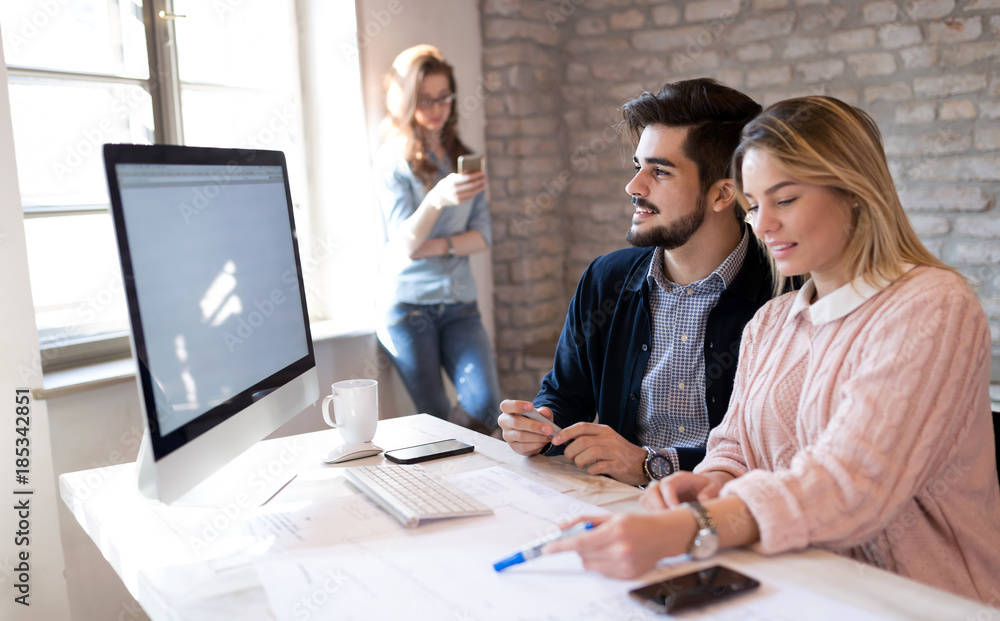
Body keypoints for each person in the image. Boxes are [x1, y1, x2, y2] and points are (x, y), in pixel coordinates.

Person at [546, 96, 1000, 603]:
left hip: (921, 600)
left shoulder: (931, 306)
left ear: (855, 191)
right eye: (754, 205)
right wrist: (708, 482)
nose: (761, 226)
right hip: (798, 586)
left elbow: (850, 485)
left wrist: (688, 527)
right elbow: (736, 449)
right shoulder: (772, 322)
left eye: (783, 200)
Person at [498, 78, 781, 486]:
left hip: (732, 517)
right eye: (637, 167)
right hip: (617, 506)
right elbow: (564, 395)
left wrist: (651, 464)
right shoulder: (604, 279)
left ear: (723, 194)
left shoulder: (786, 293)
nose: (634, 187)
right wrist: (538, 427)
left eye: (660, 172)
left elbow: (775, 452)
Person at [372, 45, 501, 434]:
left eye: (444, 97)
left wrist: (439, 246)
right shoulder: (392, 160)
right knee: (433, 415)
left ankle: (457, 460)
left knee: (484, 407)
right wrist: (437, 198)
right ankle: (449, 490)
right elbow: (406, 244)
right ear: (408, 100)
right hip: (409, 308)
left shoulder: (464, 157)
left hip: (459, 302)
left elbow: (483, 235)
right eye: (425, 99)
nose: (436, 107)